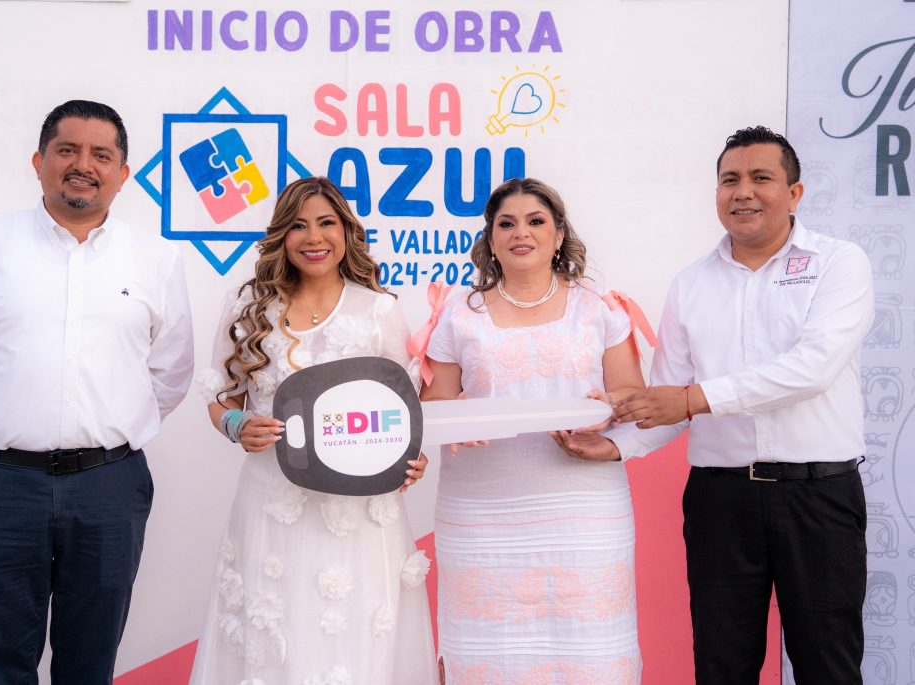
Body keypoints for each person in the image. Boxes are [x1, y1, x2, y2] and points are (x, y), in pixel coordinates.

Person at [570, 126, 873, 685]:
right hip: (721, 502)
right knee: (721, 666)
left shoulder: (839, 263)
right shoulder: (691, 283)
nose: (743, 192)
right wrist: (612, 445)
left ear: (795, 192)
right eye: (730, 180)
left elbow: (813, 369)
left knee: (828, 666)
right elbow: (668, 402)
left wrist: (693, 399)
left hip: (819, 497)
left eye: (761, 178)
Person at [0, 100, 194, 683]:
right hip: (1, 488)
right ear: (39, 161)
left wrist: (113, 429)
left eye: (101, 155)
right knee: (0, 663)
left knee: (90, 664)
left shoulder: (156, 260)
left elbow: (172, 371)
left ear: (123, 173)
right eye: (67, 150)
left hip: (110, 488)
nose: (83, 165)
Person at [190, 176, 436, 685]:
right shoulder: (248, 307)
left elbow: (404, 411)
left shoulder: (379, 311)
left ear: (346, 231)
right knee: (275, 633)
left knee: (356, 636)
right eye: (298, 225)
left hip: (360, 511)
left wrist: (412, 460)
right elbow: (222, 400)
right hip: (272, 502)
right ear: (281, 235)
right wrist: (237, 425)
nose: (313, 237)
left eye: (326, 223)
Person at [420, 178, 646, 684]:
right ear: (490, 238)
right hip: (480, 510)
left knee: (587, 650)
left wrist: (605, 407)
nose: (521, 232)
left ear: (559, 234)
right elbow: (431, 407)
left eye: (535, 221)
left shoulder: (599, 306)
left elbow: (631, 393)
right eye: (507, 223)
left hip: (584, 509)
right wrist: (459, 415)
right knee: (490, 654)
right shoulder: (459, 310)